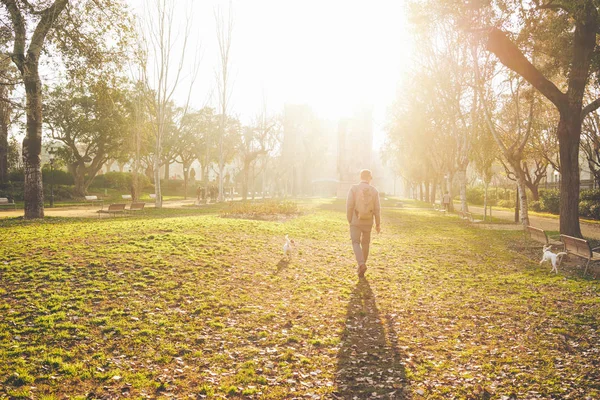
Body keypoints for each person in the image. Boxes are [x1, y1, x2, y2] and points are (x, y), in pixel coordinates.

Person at [346, 169, 381, 278]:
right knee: (365, 244)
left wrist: (349, 219)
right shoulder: (374, 191)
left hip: (356, 220)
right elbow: (377, 209)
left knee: (355, 242)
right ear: (369, 178)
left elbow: (349, 205)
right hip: (368, 221)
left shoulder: (354, 189)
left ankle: (361, 264)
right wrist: (378, 224)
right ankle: (362, 265)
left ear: (360, 177)